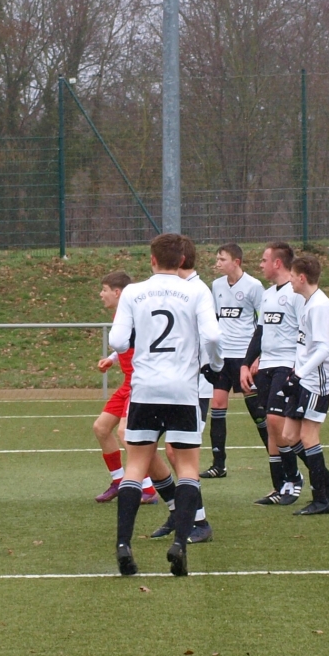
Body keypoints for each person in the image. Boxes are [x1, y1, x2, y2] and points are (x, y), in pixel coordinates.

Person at [107, 233, 221, 577]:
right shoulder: (197, 291)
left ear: (152, 260)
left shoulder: (133, 291)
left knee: (136, 465)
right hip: (183, 390)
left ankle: (124, 544)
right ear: (183, 260)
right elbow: (213, 336)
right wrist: (214, 366)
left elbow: (117, 340)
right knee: (187, 466)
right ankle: (181, 544)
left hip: (145, 389)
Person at [246, 242, 304, 506]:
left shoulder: (296, 293)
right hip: (267, 365)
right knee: (272, 426)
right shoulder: (268, 294)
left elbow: (306, 332)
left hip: (287, 364)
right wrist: (247, 364)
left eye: (264, 259)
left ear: (277, 263)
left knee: (275, 420)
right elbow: (259, 332)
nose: (261, 264)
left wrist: (299, 366)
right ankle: (280, 485)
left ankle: (294, 479)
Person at [91, 272, 155, 507]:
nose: (101, 294)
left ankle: (147, 487)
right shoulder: (124, 313)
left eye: (104, 289)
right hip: (128, 382)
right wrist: (112, 359)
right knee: (101, 428)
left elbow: (143, 341)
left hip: (139, 382)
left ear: (117, 292)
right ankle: (119, 481)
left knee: (124, 433)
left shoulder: (134, 312)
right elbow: (125, 343)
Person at [290, 253, 329, 514]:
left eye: (292, 276)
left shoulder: (319, 306)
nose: (290, 280)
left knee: (308, 435)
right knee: (289, 436)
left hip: (316, 381)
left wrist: (300, 373)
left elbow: (323, 349)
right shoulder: (307, 302)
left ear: (302, 278)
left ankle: (321, 498)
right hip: (304, 377)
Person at [204, 242, 265, 478]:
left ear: (236, 262)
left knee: (256, 409)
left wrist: (257, 357)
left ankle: (278, 456)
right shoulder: (216, 286)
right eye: (217, 259)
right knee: (217, 405)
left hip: (244, 358)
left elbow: (263, 323)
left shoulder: (254, 287)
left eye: (222, 259)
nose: (217, 263)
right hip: (222, 357)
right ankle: (218, 464)